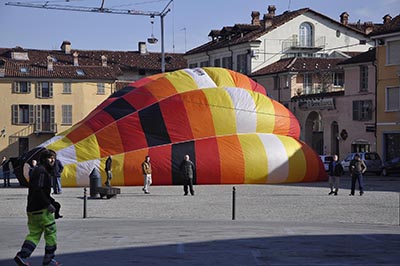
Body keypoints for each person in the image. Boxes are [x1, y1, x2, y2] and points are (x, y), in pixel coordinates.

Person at [14, 149, 61, 266]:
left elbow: (38, 191)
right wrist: (48, 204)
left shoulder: (37, 170)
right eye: (50, 158)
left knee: (34, 234)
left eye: (54, 158)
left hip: (32, 209)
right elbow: (38, 190)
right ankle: (48, 259)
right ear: (44, 159)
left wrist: (54, 202)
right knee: (51, 234)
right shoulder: (41, 172)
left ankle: (22, 256)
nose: (52, 160)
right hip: (42, 210)